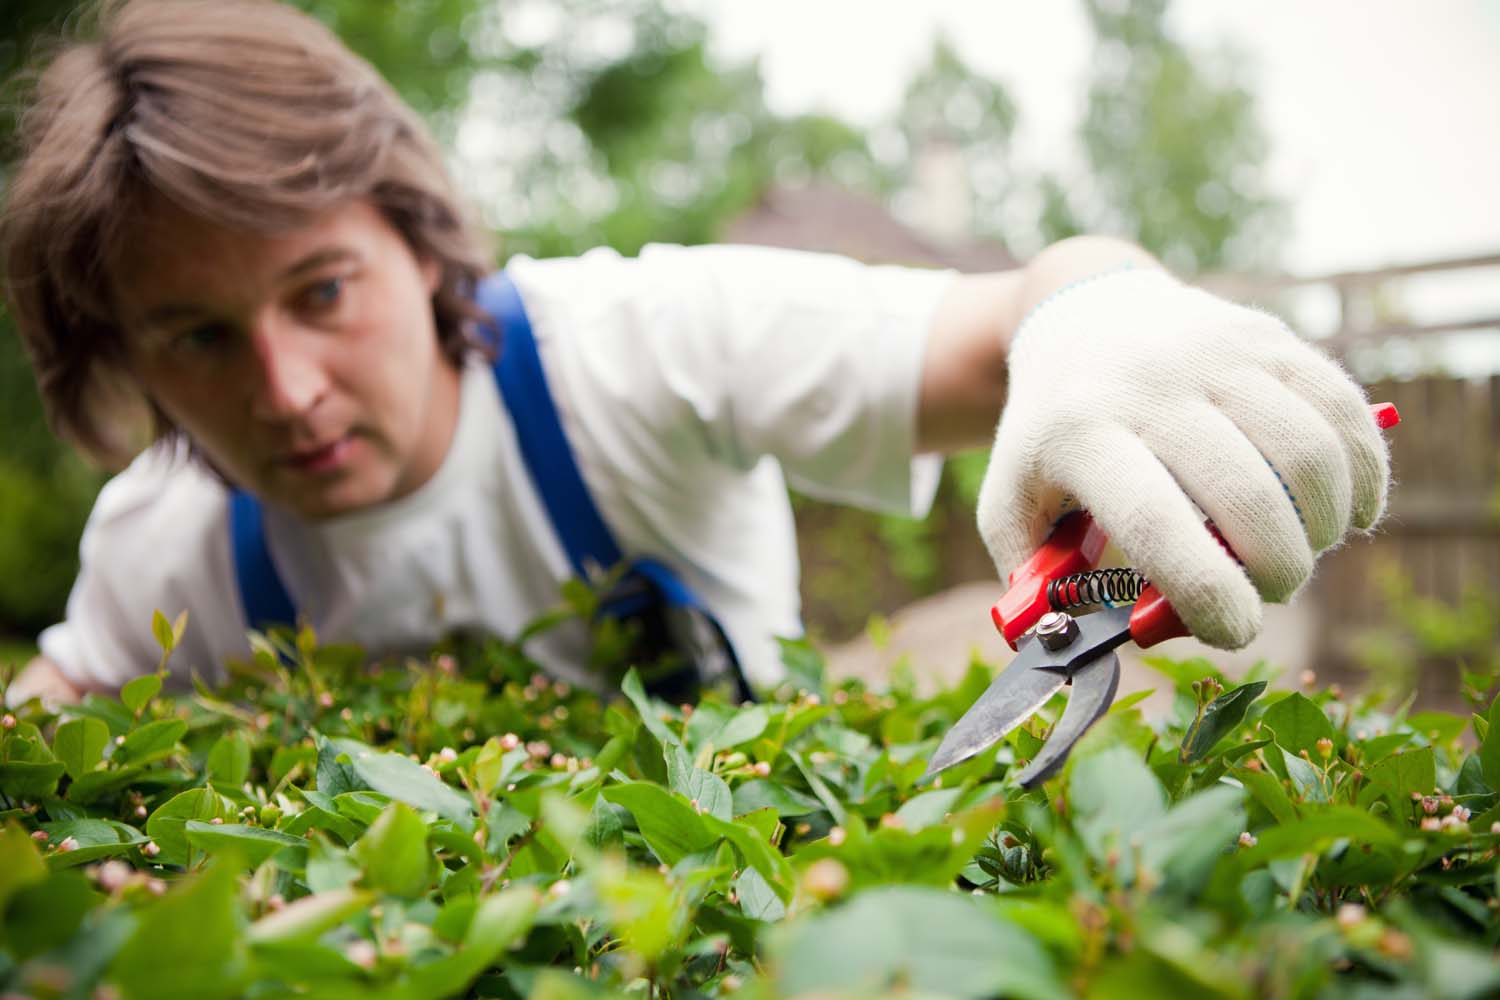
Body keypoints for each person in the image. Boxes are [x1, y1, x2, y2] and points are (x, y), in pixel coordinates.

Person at [1, 0, 1389, 709]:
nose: (285, 390)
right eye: (194, 337)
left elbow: (1027, 301)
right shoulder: (160, 547)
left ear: (419, 245)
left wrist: (1102, 324)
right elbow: (57, 713)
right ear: (119, 351)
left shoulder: (635, 347)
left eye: (320, 291)